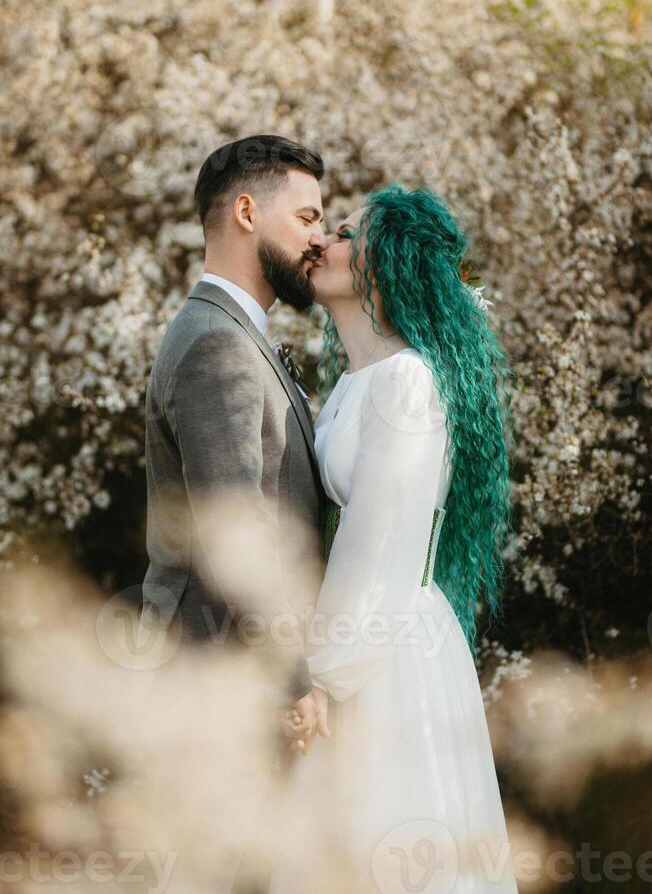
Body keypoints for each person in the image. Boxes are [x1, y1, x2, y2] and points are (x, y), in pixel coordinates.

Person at [271, 184, 519, 893]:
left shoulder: (408, 382)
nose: (323, 241)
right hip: (359, 637)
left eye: (347, 232)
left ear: (391, 263)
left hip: (386, 650)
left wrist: (322, 676)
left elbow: (378, 542)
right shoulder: (356, 382)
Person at [139, 134, 332, 798]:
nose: (320, 238)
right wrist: (292, 682)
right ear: (248, 214)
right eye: (307, 217)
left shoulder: (228, 332)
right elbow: (236, 531)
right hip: (221, 673)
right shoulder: (218, 344)